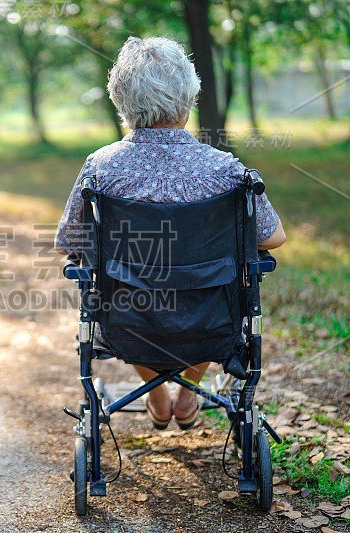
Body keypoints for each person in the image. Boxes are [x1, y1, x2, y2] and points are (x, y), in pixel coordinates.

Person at [54, 36, 286, 430]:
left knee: (124, 291)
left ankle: (157, 395)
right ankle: (187, 391)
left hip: (130, 320)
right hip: (210, 318)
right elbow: (273, 237)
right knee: (208, 287)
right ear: (190, 98)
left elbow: (69, 243)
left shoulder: (101, 168)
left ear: (122, 101)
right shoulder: (225, 169)